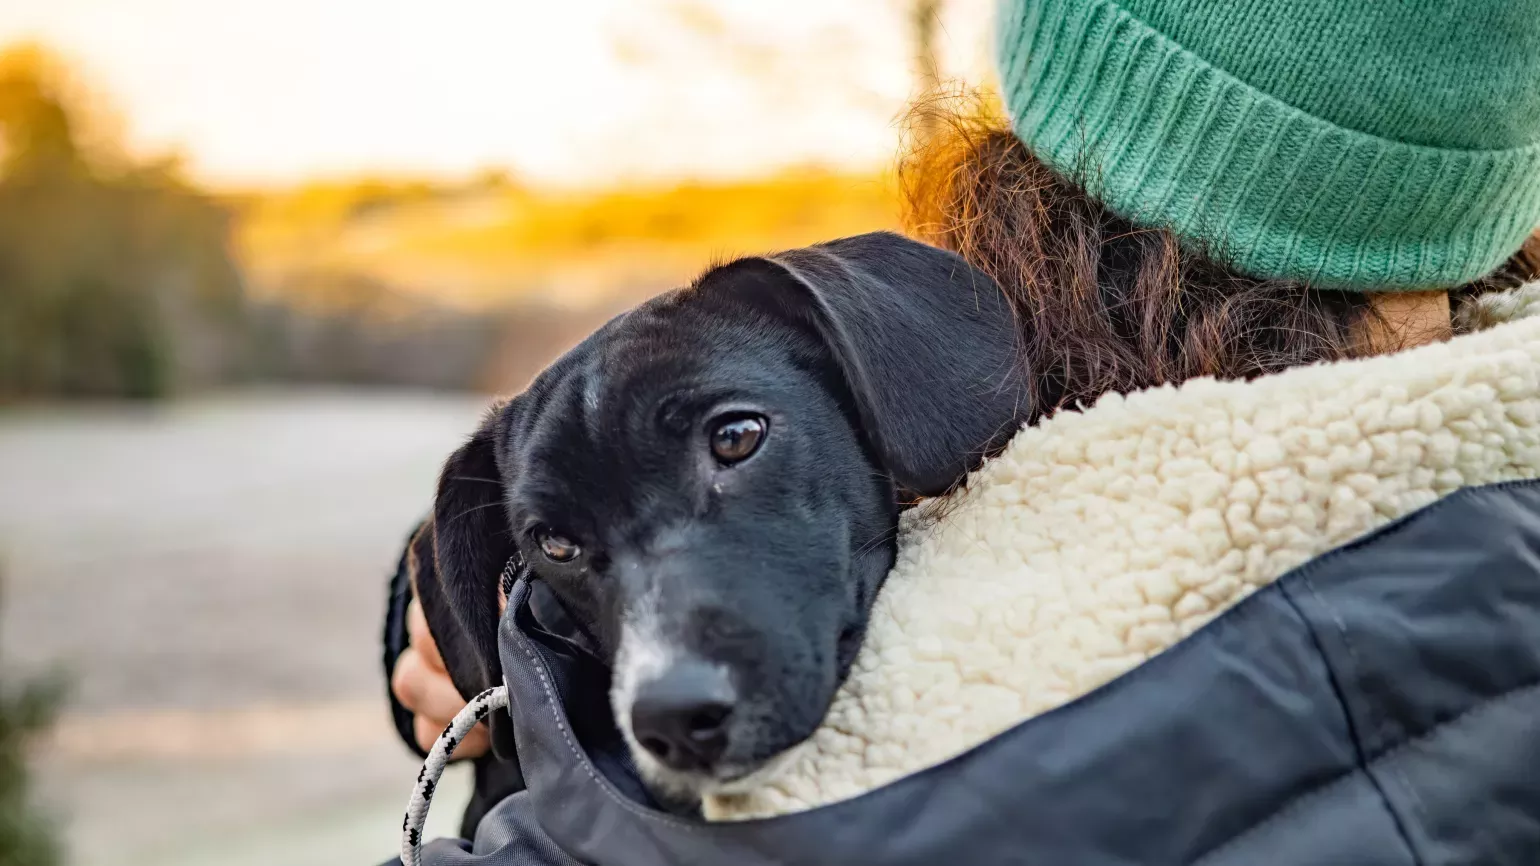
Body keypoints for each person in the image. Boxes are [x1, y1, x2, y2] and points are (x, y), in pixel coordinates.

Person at [382, 0, 1540, 860]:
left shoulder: (1013, 637)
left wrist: (516, 677)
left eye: (733, 442)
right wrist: (471, 603)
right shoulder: (1476, 464)